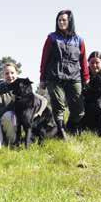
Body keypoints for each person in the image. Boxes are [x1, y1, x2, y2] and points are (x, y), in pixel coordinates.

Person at [39, 10, 89, 138]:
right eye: (59, 20)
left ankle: (71, 127)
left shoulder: (79, 40)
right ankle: (61, 131)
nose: (61, 22)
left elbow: (83, 60)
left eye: (64, 20)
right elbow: (44, 59)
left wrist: (86, 77)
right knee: (58, 105)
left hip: (74, 77)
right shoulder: (51, 38)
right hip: (55, 77)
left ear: (70, 21)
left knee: (79, 110)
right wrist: (42, 78)